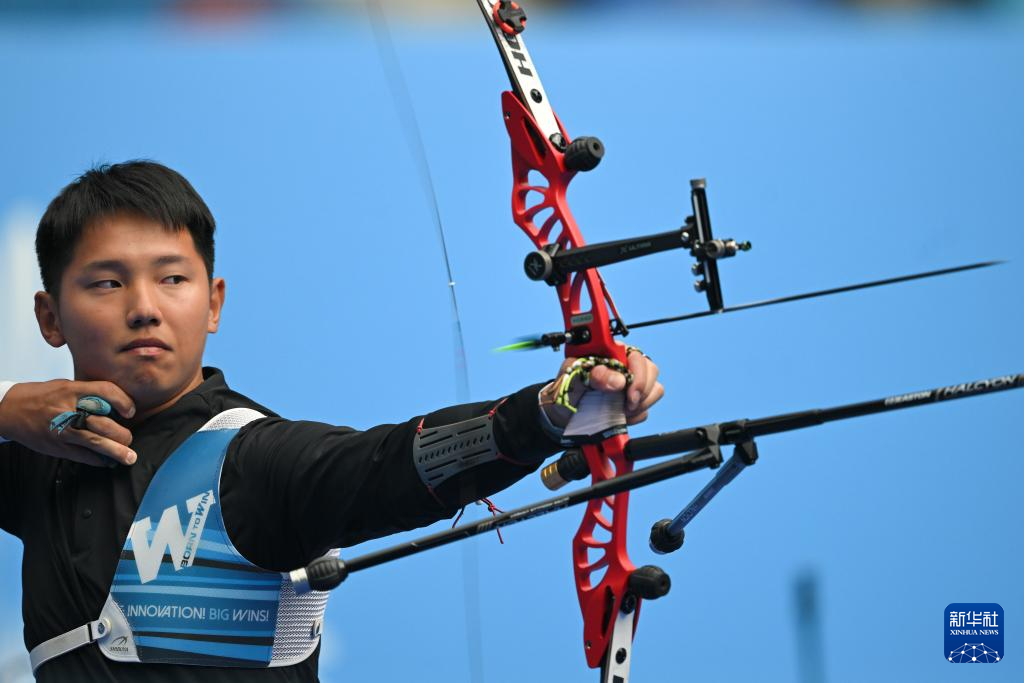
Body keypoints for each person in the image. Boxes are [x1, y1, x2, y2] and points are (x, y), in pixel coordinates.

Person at [0, 161, 663, 681]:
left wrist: (549, 410)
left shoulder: (250, 460)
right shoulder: (37, 457)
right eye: (107, 283)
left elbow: (384, 465)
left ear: (214, 303)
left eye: (173, 279)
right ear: (50, 318)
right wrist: (8, 407)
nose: (144, 307)